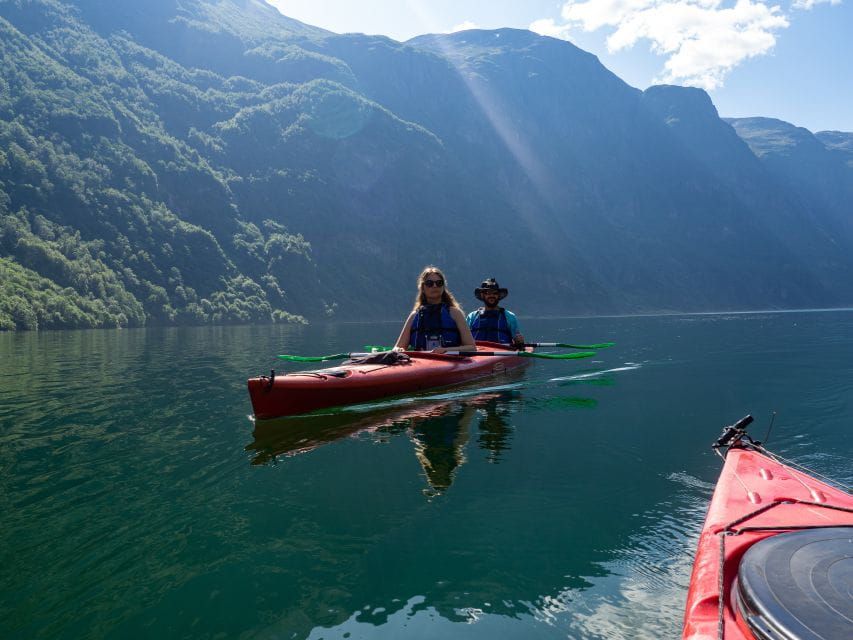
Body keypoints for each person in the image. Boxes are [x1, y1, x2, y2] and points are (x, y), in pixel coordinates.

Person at [394, 266, 476, 353]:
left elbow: (471, 347)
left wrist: (445, 350)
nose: (435, 286)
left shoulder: (455, 313)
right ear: (423, 288)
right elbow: (397, 347)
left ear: (443, 287)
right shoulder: (414, 316)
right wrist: (399, 350)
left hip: (450, 362)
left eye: (439, 283)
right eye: (429, 283)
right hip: (422, 363)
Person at [466, 278, 524, 348]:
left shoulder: (509, 317)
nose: (492, 296)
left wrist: (519, 341)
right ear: (482, 295)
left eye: (495, 293)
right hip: (476, 354)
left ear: (498, 295)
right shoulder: (472, 316)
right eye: (488, 293)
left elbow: (518, 343)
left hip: (502, 354)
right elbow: (464, 339)